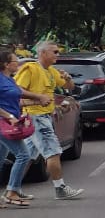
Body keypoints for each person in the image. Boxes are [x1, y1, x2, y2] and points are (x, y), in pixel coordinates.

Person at [14, 41, 81, 199]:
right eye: (55, 52)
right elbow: (16, 90)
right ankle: (60, 189)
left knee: (27, 156)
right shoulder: (30, 69)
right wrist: (38, 98)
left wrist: (68, 78)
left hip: (44, 116)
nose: (58, 55)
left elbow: (69, 87)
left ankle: (12, 189)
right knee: (53, 152)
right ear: (43, 53)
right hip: (35, 117)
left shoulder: (51, 71)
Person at [1, 50, 35, 206]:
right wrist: (9, 116)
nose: (18, 63)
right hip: (3, 123)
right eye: (15, 61)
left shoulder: (10, 80)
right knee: (23, 155)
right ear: (6, 65)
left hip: (10, 123)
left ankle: (12, 191)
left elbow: (16, 99)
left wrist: (36, 101)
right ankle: (12, 192)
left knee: (1, 158)